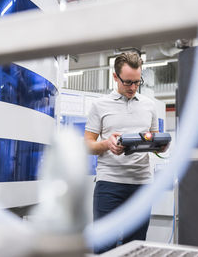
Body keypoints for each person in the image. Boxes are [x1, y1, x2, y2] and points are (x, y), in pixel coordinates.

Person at [84, 52, 159, 254]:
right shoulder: (99, 105)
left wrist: (161, 146)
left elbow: (154, 138)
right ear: (115, 77)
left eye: (137, 82)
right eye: (128, 82)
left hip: (142, 184)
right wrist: (107, 144)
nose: (133, 88)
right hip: (110, 184)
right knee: (104, 245)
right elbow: (87, 145)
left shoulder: (149, 106)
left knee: (135, 247)